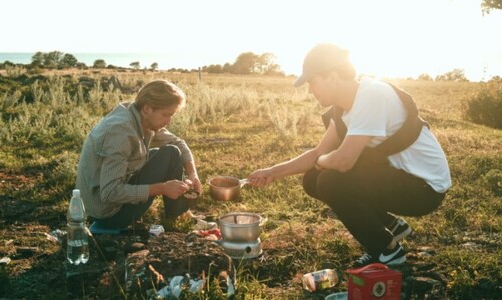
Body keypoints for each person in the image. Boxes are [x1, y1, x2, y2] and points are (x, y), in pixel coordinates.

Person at [247, 44, 451, 267]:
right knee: (313, 180)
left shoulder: (371, 95)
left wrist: (321, 162)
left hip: (424, 188)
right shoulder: (343, 109)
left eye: (313, 82)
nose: (311, 90)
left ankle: (387, 250)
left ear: (333, 76)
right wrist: (272, 173)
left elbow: (343, 162)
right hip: (398, 175)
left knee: (330, 180)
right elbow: (318, 152)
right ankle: (391, 226)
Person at [76, 79, 202, 234]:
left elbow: (178, 143)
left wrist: (192, 173)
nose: (169, 121)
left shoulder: (139, 115)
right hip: (108, 213)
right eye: (166, 115)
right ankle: (177, 215)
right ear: (148, 108)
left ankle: (176, 215)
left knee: (171, 152)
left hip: (115, 191)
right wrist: (161, 188)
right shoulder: (120, 133)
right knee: (169, 154)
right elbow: (110, 193)